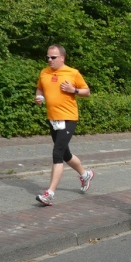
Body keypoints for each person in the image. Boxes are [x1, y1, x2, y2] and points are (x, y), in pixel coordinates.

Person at [35, 45, 94, 206]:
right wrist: (39, 97)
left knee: (57, 153)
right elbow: (40, 89)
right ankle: (86, 174)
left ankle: (50, 193)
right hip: (53, 119)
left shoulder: (72, 73)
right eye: (48, 57)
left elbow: (87, 92)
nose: (49, 60)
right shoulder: (44, 72)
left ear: (62, 58)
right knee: (65, 154)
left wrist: (73, 90)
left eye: (53, 57)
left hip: (68, 118)